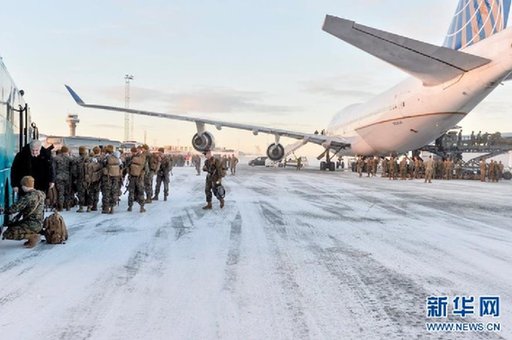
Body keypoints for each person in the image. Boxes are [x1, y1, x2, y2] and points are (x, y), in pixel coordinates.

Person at [1, 176, 45, 248]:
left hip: (31, 224)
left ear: (26, 186)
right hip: (39, 223)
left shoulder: (28, 197)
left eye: (22, 185)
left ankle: (32, 237)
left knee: (8, 233)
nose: (21, 187)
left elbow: (14, 208)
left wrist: (4, 210)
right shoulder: (41, 193)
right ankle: (32, 236)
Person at [125, 147, 146, 212]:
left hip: (132, 177)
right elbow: (145, 169)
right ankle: (142, 207)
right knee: (141, 192)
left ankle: (130, 207)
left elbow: (127, 167)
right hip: (139, 177)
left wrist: (130, 174)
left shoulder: (131, 158)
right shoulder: (143, 158)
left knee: (131, 192)